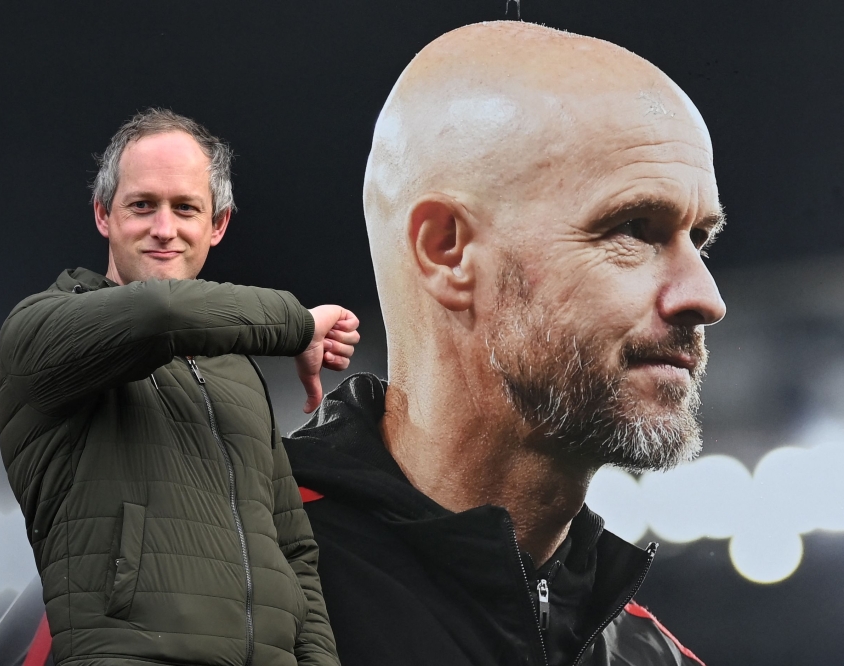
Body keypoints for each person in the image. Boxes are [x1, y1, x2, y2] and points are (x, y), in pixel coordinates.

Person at [285, 22, 724, 666]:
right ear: (447, 251)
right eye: (635, 227)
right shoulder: (225, 589)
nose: (705, 297)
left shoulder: (658, 658)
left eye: (700, 239)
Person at [0, 108, 356, 666]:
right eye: (143, 205)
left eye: (185, 208)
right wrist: (299, 324)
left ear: (218, 225)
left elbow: (295, 552)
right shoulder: (39, 332)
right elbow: (160, 313)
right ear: (102, 214)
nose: (165, 228)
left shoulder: (238, 372)